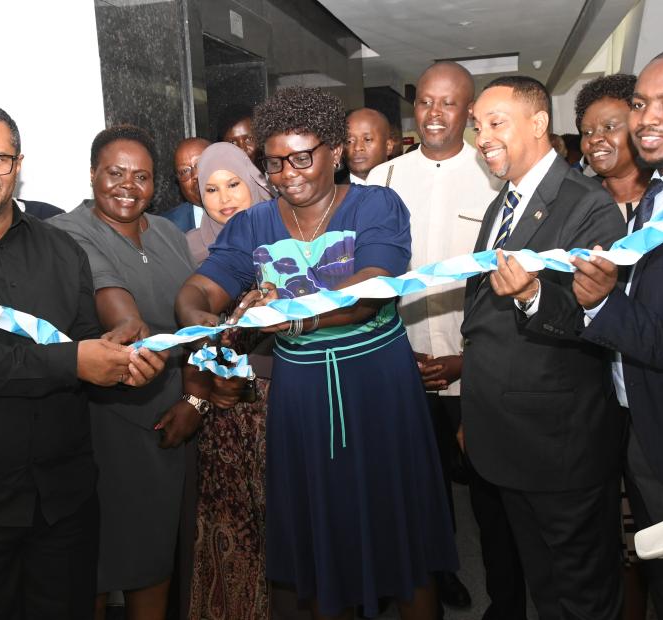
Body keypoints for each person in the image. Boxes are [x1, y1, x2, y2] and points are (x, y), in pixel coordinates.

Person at [175, 86, 458, 620]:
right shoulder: (250, 226)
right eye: (275, 162)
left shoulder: (376, 204)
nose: (288, 173)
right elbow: (198, 290)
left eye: (302, 157)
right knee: (320, 545)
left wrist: (290, 313)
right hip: (302, 397)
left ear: (334, 150)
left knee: (402, 541)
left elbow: (371, 289)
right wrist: (205, 322)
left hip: (378, 389)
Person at [0, 101, 166, 620]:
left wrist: (124, 365)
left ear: (18, 163)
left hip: (65, 501)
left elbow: (84, 348)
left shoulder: (61, 249)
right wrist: (73, 361)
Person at [463, 75, 627, 620]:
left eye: (496, 122)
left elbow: (592, 317)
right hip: (506, 438)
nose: (483, 136)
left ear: (538, 123)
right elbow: (481, 321)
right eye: (478, 126)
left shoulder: (588, 206)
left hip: (560, 448)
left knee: (583, 594)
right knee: (546, 589)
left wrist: (532, 295)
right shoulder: (503, 203)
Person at [367, 60, 512, 619]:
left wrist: (464, 361)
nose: (434, 113)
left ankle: (506, 597)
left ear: (469, 111)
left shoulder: (495, 176)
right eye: (425, 101)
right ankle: (437, 570)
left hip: (472, 364)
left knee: (489, 492)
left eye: (448, 103)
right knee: (412, 486)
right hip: (399, 361)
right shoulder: (384, 179)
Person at [50, 125, 205, 619]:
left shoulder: (166, 231)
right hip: (104, 419)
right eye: (115, 173)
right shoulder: (68, 231)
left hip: (170, 413)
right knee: (94, 562)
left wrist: (194, 399)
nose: (127, 185)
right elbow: (111, 295)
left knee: (155, 555)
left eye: (141, 176)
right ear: (93, 174)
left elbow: (192, 321)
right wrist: (129, 326)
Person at [570, 51, 663, 620]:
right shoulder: (654, 196)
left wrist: (600, 301)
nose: (646, 118)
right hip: (625, 409)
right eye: (641, 105)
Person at [184, 142, 273, 620]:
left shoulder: (285, 233)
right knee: (235, 523)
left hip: (286, 396)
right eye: (210, 189)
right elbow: (190, 336)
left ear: (254, 181)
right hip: (224, 406)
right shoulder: (194, 248)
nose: (223, 198)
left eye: (233, 184)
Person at [576, 73, 652, 222]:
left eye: (609, 127)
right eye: (587, 132)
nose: (594, 139)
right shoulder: (577, 202)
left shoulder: (659, 199)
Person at [165, 137, 210, 232]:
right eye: (184, 171)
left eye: (201, 164)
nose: (195, 175)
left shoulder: (246, 215)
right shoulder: (166, 229)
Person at [342, 108, 393, 184]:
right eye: (349, 141)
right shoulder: (331, 193)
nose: (357, 148)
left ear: (388, 146)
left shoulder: (409, 186)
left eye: (367, 139)